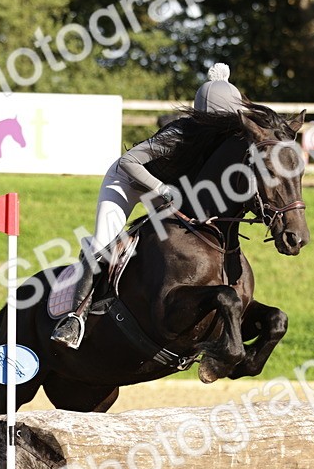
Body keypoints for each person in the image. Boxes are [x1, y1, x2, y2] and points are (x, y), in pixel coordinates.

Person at [50, 63, 245, 348]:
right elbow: (129, 162)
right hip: (127, 180)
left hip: (166, 187)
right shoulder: (179, 134)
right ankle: (75, 318)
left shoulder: (220, 142)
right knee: (104, 245)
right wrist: (161, 189)